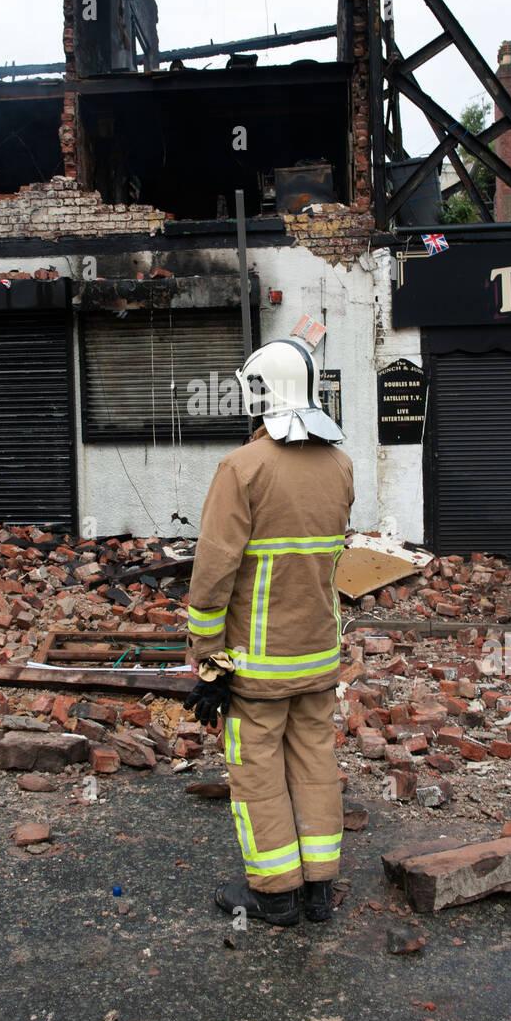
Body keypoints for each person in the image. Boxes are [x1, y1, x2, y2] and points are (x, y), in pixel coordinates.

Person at [184, 337, 354, 926]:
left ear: (260, 393)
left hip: (255, 664)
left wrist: (209, 664)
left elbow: (212, 576)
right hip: (318, 657)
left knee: (256, 771)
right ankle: (319, 892)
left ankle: (276, 893)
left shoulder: (242, 468)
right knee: (314, 763)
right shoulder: (340, 465)